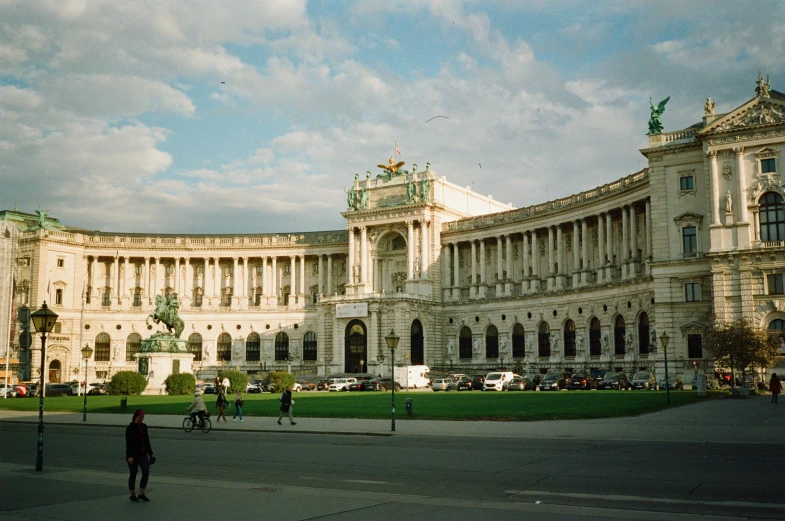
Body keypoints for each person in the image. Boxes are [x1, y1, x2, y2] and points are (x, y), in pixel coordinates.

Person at [125, 409, 155, 502]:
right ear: (135, 417)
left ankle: (141, 493)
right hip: (133, 455)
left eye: (143, 417)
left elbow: (147, 441)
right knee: (133, 474)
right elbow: (128, 443)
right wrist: (129, 456)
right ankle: (132, 495)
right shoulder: (130, 428)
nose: (141, 419)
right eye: (140, 417)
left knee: (146, 472)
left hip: (143, 454)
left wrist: (151, 454)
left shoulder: (144, 426)